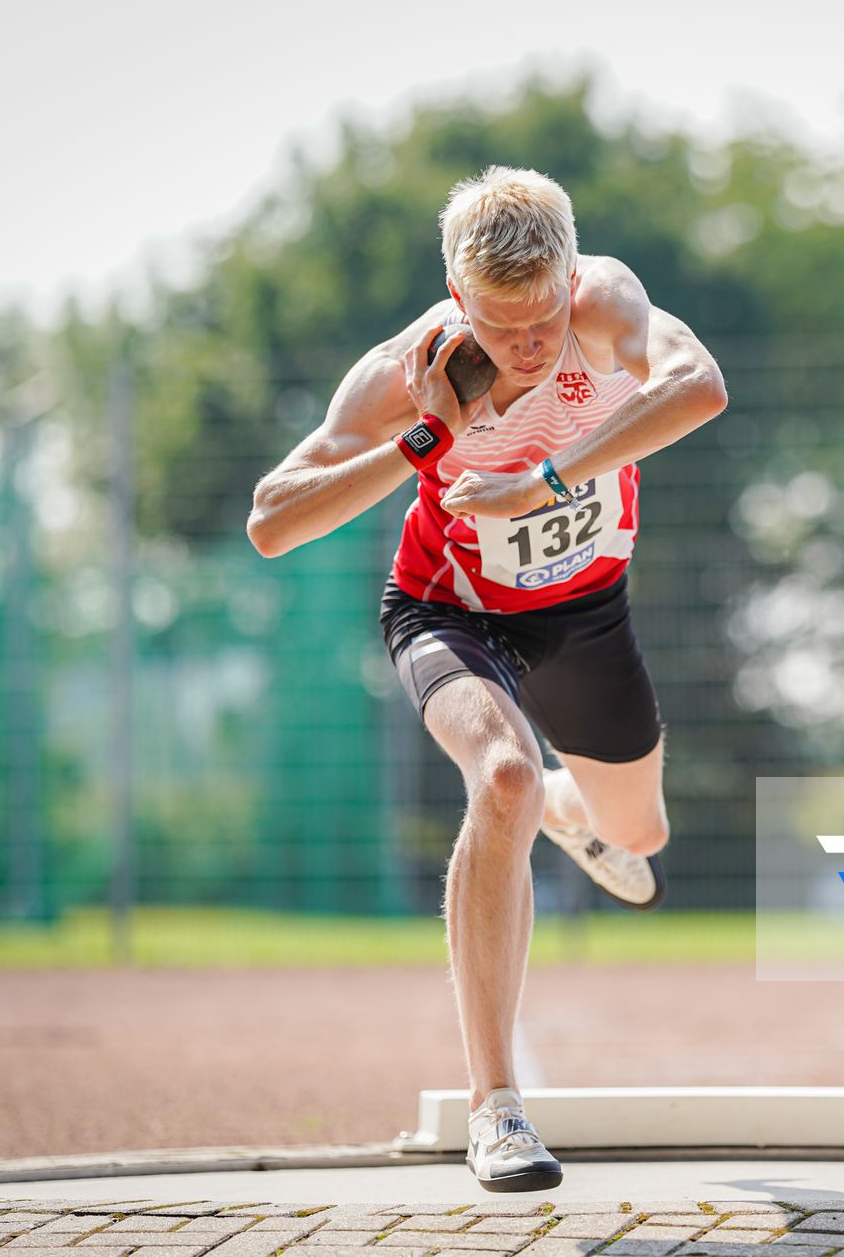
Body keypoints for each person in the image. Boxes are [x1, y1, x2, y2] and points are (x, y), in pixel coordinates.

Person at [247, 165, 728, 1191]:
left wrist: (543, 477)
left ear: (568, 276)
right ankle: (497, 1104)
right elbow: (272, 520)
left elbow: (701, 386)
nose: (526, 345)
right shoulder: (411, 366)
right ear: (460, 300)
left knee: (639, 837)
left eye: (542, 316)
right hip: (450, 614)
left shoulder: (603, 301)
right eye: (501, 325)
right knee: (501, 775)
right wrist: (423, 441)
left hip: (587, 612)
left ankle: (572, 803)